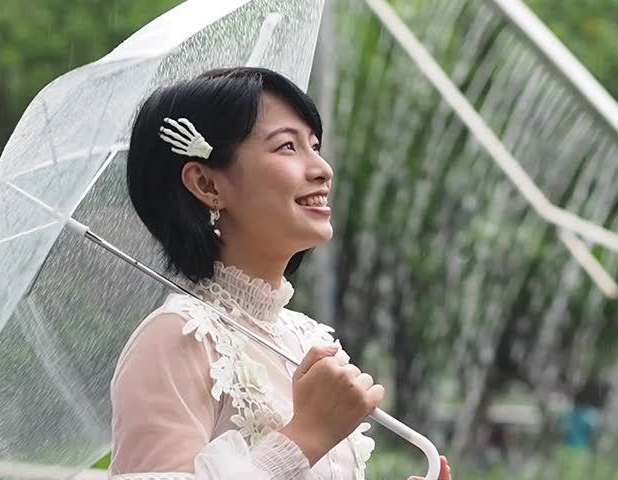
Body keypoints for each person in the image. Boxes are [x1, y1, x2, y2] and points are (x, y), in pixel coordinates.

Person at [110, 67, 452, 480]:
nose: (322, 169)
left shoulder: (309, 339)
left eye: (315, 145)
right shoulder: (178, 338)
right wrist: (303, 438)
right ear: (206, 183)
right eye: (287, 147)